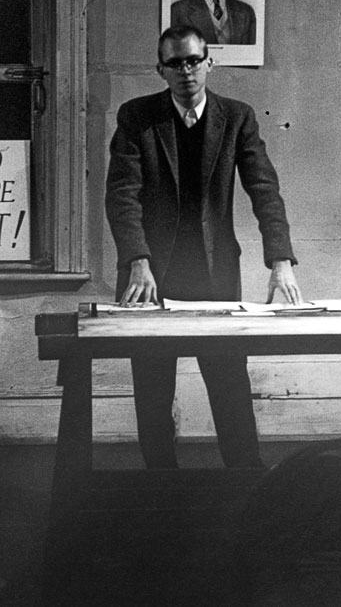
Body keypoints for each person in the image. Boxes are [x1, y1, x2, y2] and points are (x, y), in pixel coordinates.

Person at [105, 25, 301, 469]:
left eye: (194, 60)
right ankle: (161, 487)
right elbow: (121, 195)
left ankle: (248, 482)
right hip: (151, 277)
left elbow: (264, 189)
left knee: (230, 385)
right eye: (174, 63)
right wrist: (137, 260)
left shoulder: (237, 117)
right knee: (153, 392)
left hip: (215, 274)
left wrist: (281, 260)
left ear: (210, 62)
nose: (186, 71)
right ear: (161, 70)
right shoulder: (137, 118)